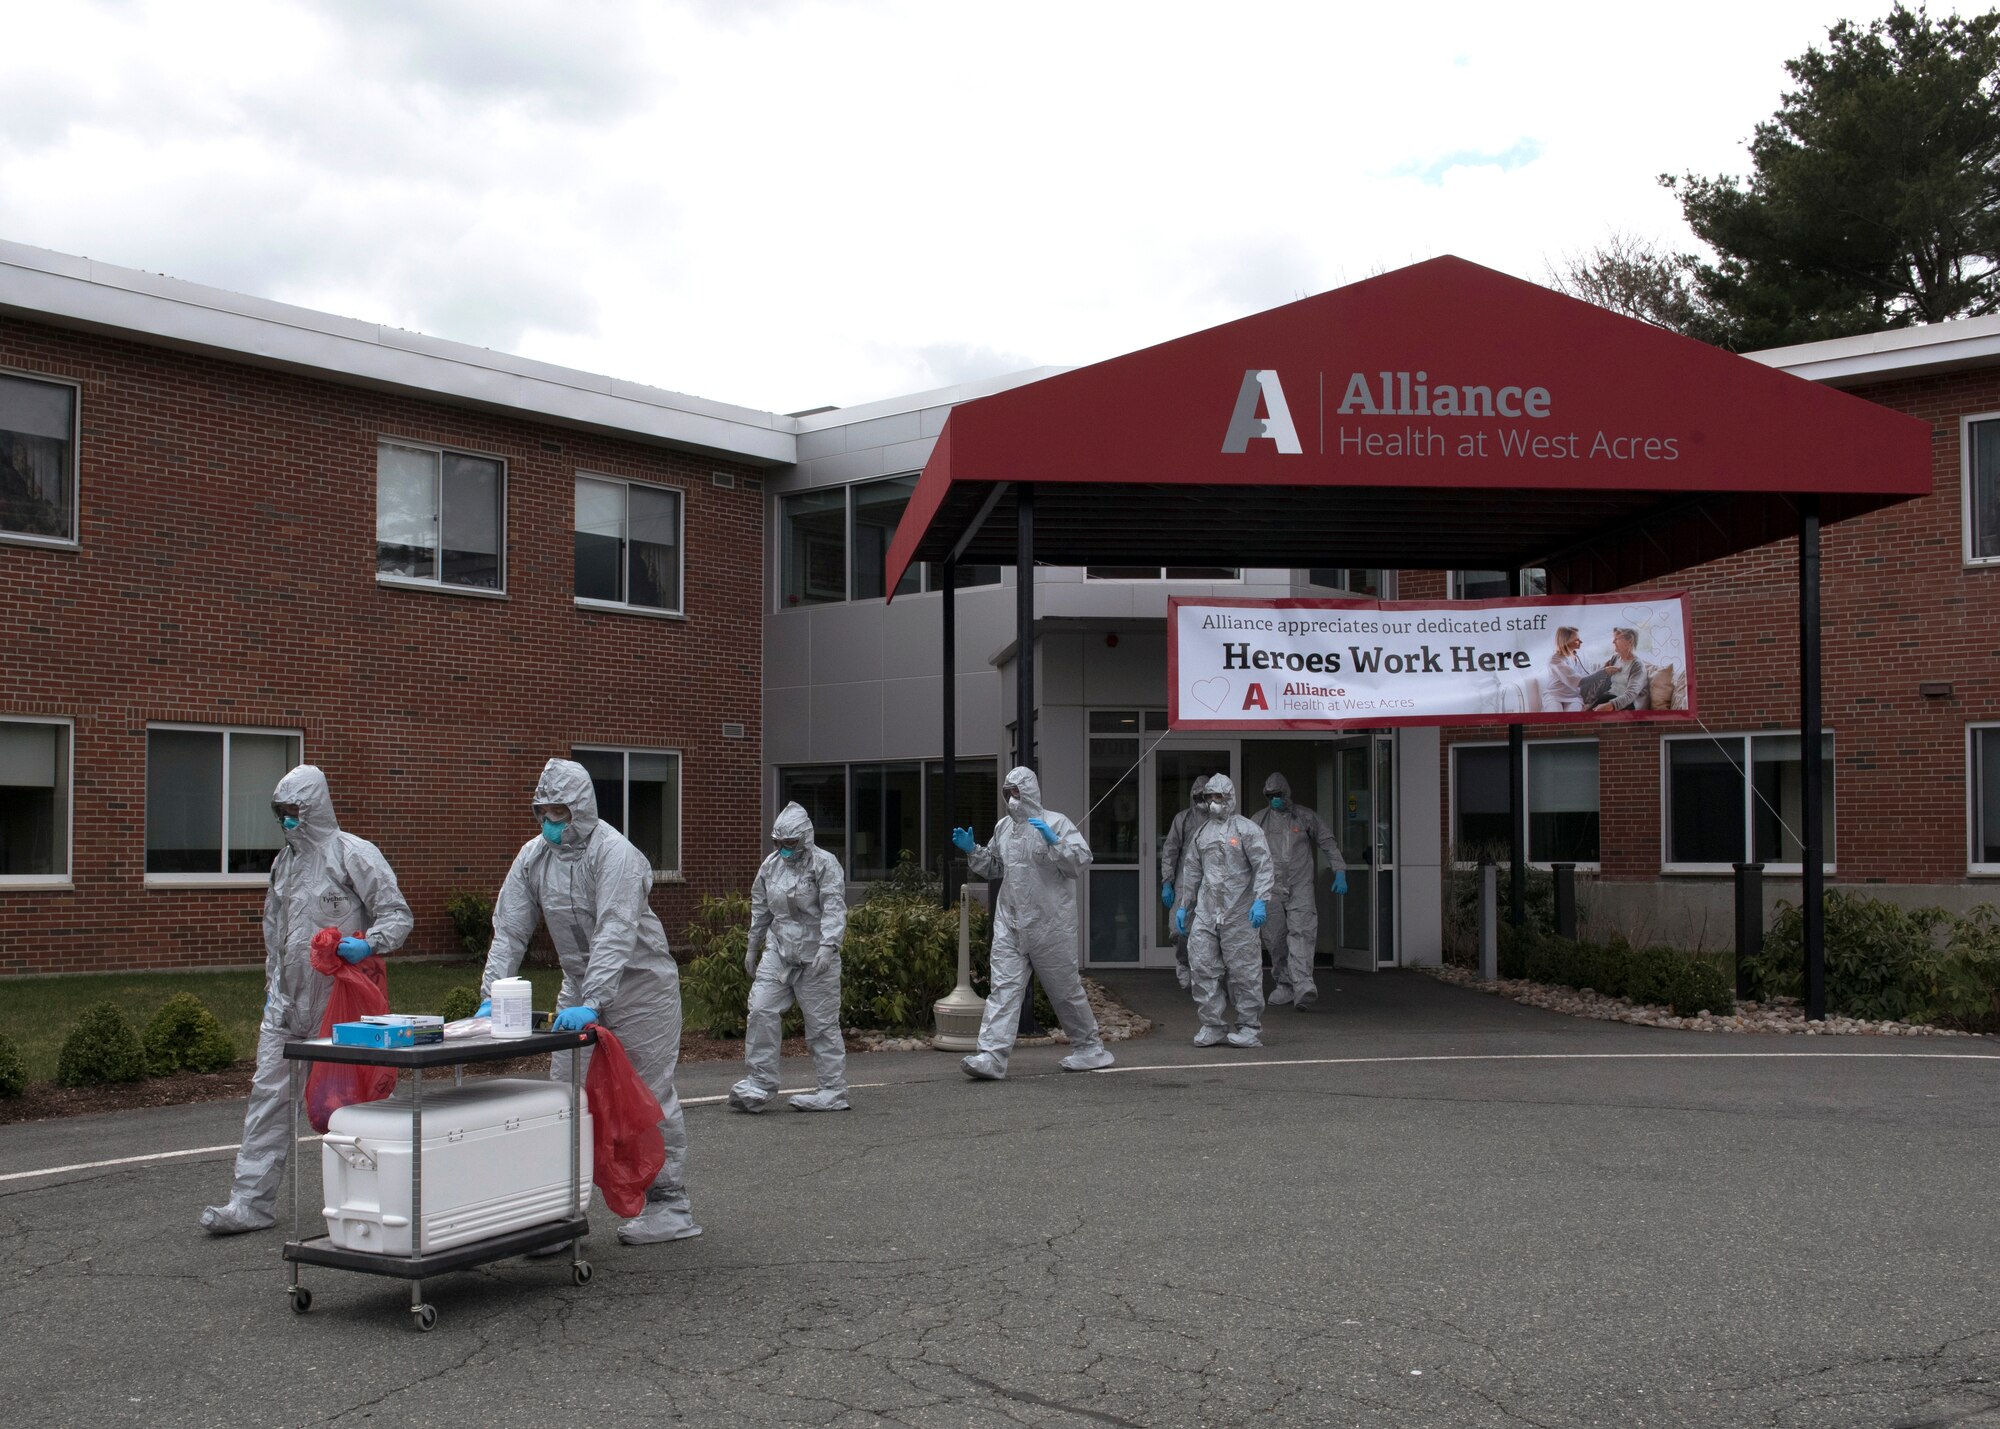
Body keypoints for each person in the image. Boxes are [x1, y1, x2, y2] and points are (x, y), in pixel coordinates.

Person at [479, 757, 700, 1245]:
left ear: (581, 809)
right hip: (579, 987)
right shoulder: (534, 858)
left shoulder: (616, 854)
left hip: (641, 988)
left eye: (559, 813)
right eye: (544, 813)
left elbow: (615, 931)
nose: (551, 824)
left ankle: (671, 1206)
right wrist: (491, 994)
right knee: (566, 1099)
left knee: (648, 1094)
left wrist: (597, 999)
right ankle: (559, 1214)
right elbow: (510, 927)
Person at [202, 765, 412, 1234]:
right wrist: (272, 989)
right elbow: (275, 934)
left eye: (295, 812)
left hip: (340, 1006)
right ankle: (250, 1203)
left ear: (314, 808)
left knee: (353, 1107)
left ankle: (373, 1206)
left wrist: (369, 942)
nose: (287, 821)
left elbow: (397, 916)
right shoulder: (285, 863)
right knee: (268, 1100)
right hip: (287, 1005)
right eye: (282, 813)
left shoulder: (353, 854)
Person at [952, 767, 1114, 1079]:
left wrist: (1055, 842)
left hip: (1051, 925)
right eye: (1007, 792)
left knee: (1065, 991)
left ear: (1029, 791)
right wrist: (973, 851)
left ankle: (1090, 1048)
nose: (1012, 799)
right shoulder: (1003, 828)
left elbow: (1079, 862)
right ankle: (991, 1056)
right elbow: (997, 867)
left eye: (1016, 792)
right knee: (1003, 989)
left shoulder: (1057, 823)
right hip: (1011, 924)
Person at [729, 802, 849, 1113]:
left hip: (815, 957)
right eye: (779, 843)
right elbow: (761, 908)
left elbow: (834, 908)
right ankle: (759, 1083)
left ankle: (832, 1090)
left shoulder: (825, 864)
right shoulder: (770, 866)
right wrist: (753, 945)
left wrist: (829, 945)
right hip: (779, 952)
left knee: (821, 1025)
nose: (784, 849)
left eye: (790, 843)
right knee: (760, 1010)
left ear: (805, 838)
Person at [1173, 774, 1275, 1048]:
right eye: (1209, 798)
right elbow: (1192, 870)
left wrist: (1260, 900)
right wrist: (1185, 906)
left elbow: (1263, 865)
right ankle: (1212, 1024)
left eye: (1218, 798)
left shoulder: (1246, 829)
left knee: (1244, 971)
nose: (1213, 803)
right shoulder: (1201, 833)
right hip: (1207, 912)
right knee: (1202, 967)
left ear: (1229, 798)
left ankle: (1249, 1027)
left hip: (1239, 912)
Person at [1251, 773, 1346, 1010]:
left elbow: (1327, 841)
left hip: (1299, 885)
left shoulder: (1304, 817)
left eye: (1278, 795)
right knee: (1275, 939)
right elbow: (1245, 852)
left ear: (1286, 793)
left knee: (1302, 933)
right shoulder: (1259, 821)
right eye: (1270, 796)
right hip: (1269, 888)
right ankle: (1284, 984)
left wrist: (1340, 870)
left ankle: (1303, 985)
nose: (1275, 800)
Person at [1157, 776, 1209, 990]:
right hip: (1185, 880)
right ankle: (1183, 962)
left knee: (1211, 930)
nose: (1201, 801)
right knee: (1179, 929)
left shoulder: (1220, 820)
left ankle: (1207, 974)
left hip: (1213, 881)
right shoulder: (1183, 819)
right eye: (1197, 797)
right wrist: (1167, 882)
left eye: (1204, 796)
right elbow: (1170, 851)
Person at [1590, 626, 1650, 712]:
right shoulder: (1615, 658)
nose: (1613, 642)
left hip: (1629, 704)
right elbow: (1601, 679)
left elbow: (1631, 694)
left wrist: (1610, 705)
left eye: (1617, 638)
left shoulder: (1637, 666)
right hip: (1611, 697)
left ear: (1630, 641)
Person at [1545, 626, 1589, 712]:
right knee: (1555, 717)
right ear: (1565, 642)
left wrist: (1603, 669)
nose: (1581, 642)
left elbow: (1587, 675)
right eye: (1576, 640)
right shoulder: (1555, 660)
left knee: (1572, 717)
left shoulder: (1580, 657)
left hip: (1574, 697)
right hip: (1555, 696)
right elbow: (1574, 680)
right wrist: (1602, 672)